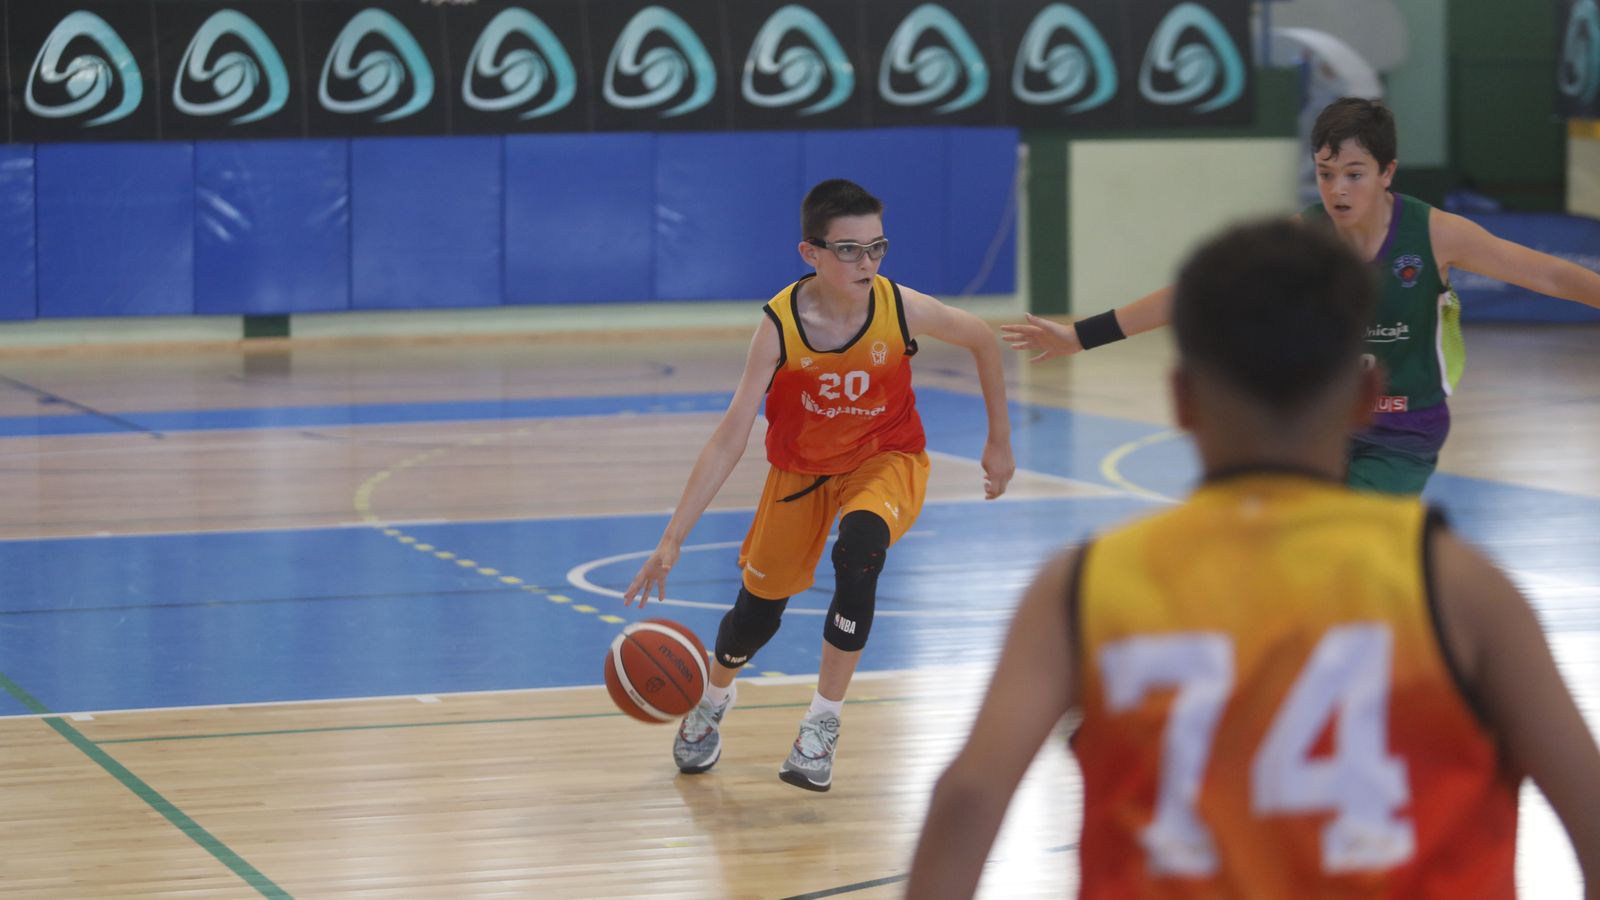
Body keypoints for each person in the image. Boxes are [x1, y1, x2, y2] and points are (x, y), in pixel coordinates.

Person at [908, 220, 1600, 898]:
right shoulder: (1461, 589)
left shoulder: (1084, 587)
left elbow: (969, 794)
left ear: (1180, 401)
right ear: (1365, 397)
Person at [623, 178, 1015, 792]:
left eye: (877, 247)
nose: (868, 262)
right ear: (811, 253)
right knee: (755, 618)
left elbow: (983, 340)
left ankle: (821, 725)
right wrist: (672, 537)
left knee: (860, 553)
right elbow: (731, 436)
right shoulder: (780, 328)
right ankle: (714, 697)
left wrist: (999, 440)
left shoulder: (900, 307)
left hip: (885, 459)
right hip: (800, 472)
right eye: (850, 250)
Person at [1002, 97, 1600, 494]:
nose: (1338, 189)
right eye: (1324, 172)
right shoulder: (1301, 237)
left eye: (1354, 174)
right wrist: (1081, 335)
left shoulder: (1436, 234)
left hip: (1406, 428)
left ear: (1388, 172)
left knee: (1354, 546)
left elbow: (1549, 276)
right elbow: (1199, 293)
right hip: (1319, 425)